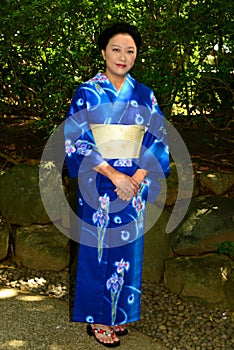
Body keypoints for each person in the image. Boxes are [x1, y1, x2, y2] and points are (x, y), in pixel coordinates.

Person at [64, 22, 170, 347]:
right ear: (103, 52)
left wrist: (137, 178)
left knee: (128, 252)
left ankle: (118, 314)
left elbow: (160, 140)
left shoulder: (145, 95)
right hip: (99, 183)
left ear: (136, 55)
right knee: (98, 251)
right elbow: (75, 140)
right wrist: (114, 175)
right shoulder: (87, 93)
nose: (123, 56)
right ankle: (98, 319)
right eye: (116, 49)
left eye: (130, 51)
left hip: (133, 187)